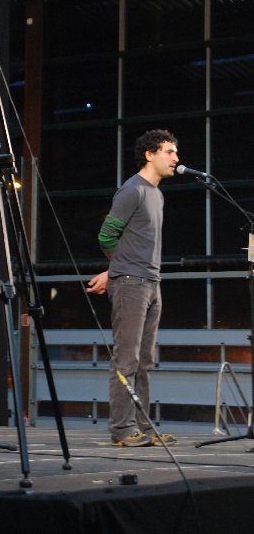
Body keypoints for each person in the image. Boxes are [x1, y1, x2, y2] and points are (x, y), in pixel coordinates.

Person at [86, 129, 179, 447]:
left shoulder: (157, 194)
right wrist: (119, 270)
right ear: (150, 155)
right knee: (126, 360)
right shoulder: (132, 191)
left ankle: (142, 426)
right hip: (131, 284)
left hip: (152, 283)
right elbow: (106, 237)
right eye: (169, 151)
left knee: (144, 361)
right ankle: (122, 428)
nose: (176, 158)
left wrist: (116, 268)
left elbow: (133, 243)